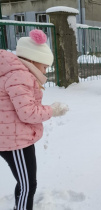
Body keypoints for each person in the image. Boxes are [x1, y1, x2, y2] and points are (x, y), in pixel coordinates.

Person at [0, 29, 69, 210]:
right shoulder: (20, 76)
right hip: (15, 141)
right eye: (45, 66)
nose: (46, 70)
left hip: (13, 136)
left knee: (25, 183)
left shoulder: (15, 73)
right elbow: (28, 113)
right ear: (32, 60)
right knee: (28, 185)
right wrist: (52, 110)